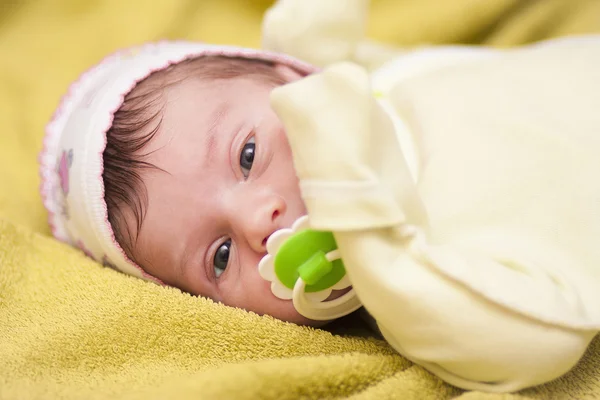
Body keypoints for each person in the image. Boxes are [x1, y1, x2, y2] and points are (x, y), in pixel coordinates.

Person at [40, 0, 600, 393]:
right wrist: (374, 240)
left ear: (290, 75)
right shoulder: (414, 296)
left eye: (247, 156)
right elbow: (539, 343)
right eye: (220, 256)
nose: (259, 221)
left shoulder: (380, 83)